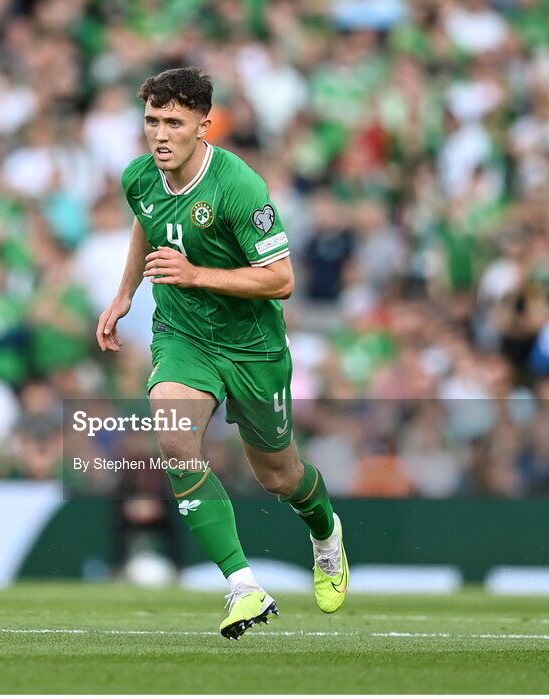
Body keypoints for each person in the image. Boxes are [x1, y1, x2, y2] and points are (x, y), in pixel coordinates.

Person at [96, 67, 348, 639]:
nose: (159, 135)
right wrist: (125, 293)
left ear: (204, 125)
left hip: (253, 348)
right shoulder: (139, 176)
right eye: (151, 121)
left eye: (174, 123)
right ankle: (243, 586)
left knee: (279, 478)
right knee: (174, 434)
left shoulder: (239, 186)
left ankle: (326, 531)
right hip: (184, 338)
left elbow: (280, 279)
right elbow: (147, 223)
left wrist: (194, 274)